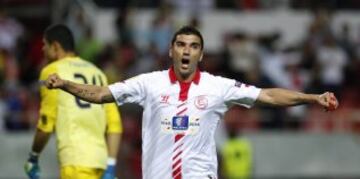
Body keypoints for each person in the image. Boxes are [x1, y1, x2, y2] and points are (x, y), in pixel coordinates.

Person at [42, 26, 338, 179]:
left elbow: (269, 95)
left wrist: (312, 97)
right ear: (171, 50)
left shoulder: (218, 86)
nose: (187, 51)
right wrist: (66, 84)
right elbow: (102, 94)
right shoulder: (149, 83)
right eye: (181, 45)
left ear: (201, 54)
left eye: (194, 46)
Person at [24, 24, 122, 179]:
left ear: (55, 47)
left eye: (45, 44)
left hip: (75, 160)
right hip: (101, 163)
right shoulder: (98, 73)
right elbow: (115, 124)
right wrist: (110, 166)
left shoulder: (51, 71)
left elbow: (46, 123)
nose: (43, 49)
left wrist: (33, 156)